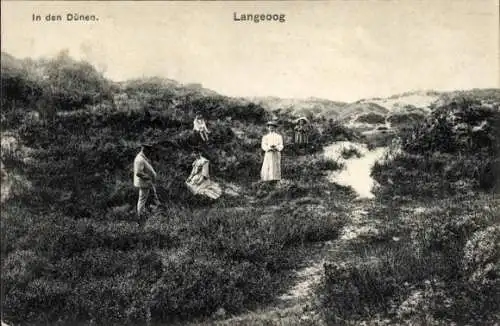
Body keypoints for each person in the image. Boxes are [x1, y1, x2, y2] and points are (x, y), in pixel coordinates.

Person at [133, 143, 158, 223]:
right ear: (144, 150)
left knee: (148, 199)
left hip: (147, 183)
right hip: (144, 183)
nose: (149, 153)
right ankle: (140, 218)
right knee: (142, 201)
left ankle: (145, 215)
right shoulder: (139, 159)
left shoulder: (143, 157)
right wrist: (149, 178)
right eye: (148, 151)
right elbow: (138, 173)